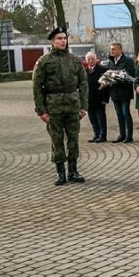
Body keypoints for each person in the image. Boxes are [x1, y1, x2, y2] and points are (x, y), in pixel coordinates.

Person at [32, 27, 88, 186]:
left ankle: (73, 171)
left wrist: (84, 106)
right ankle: (60, 172)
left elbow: (83, 84)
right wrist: (41, 110)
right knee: (57, 140)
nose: (63, 41)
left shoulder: (75, 60)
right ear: (52, 41)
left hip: (72, 106)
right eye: (59, 38)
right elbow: (37, 87)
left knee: (73, 139)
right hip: (53, 107)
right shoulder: (44, 61)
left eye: (64, 38)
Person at [107, 42, 135, 143]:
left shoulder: (127, 61)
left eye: (114, 49)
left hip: (124, 91)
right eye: (111, 49)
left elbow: (130, 74)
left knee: (125, 113)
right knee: (119, 114)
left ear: (120, 50)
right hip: (114, 92)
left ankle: (129, 135)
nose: (112, 51)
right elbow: (108, 73)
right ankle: (122, 134)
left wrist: (118, 75)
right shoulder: (111, 61)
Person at [84, 52, 109, 143]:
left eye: (92, 59)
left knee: (100, 118)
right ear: (86, 61)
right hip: (89, 99)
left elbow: (107, 86)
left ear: (96, 60)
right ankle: (96, 134)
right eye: (89, 59)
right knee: (92, 118)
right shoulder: (84, 71)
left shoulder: (103, 70)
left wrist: (105, 99)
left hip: (99, 99)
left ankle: (103, 135)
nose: (91, 61)